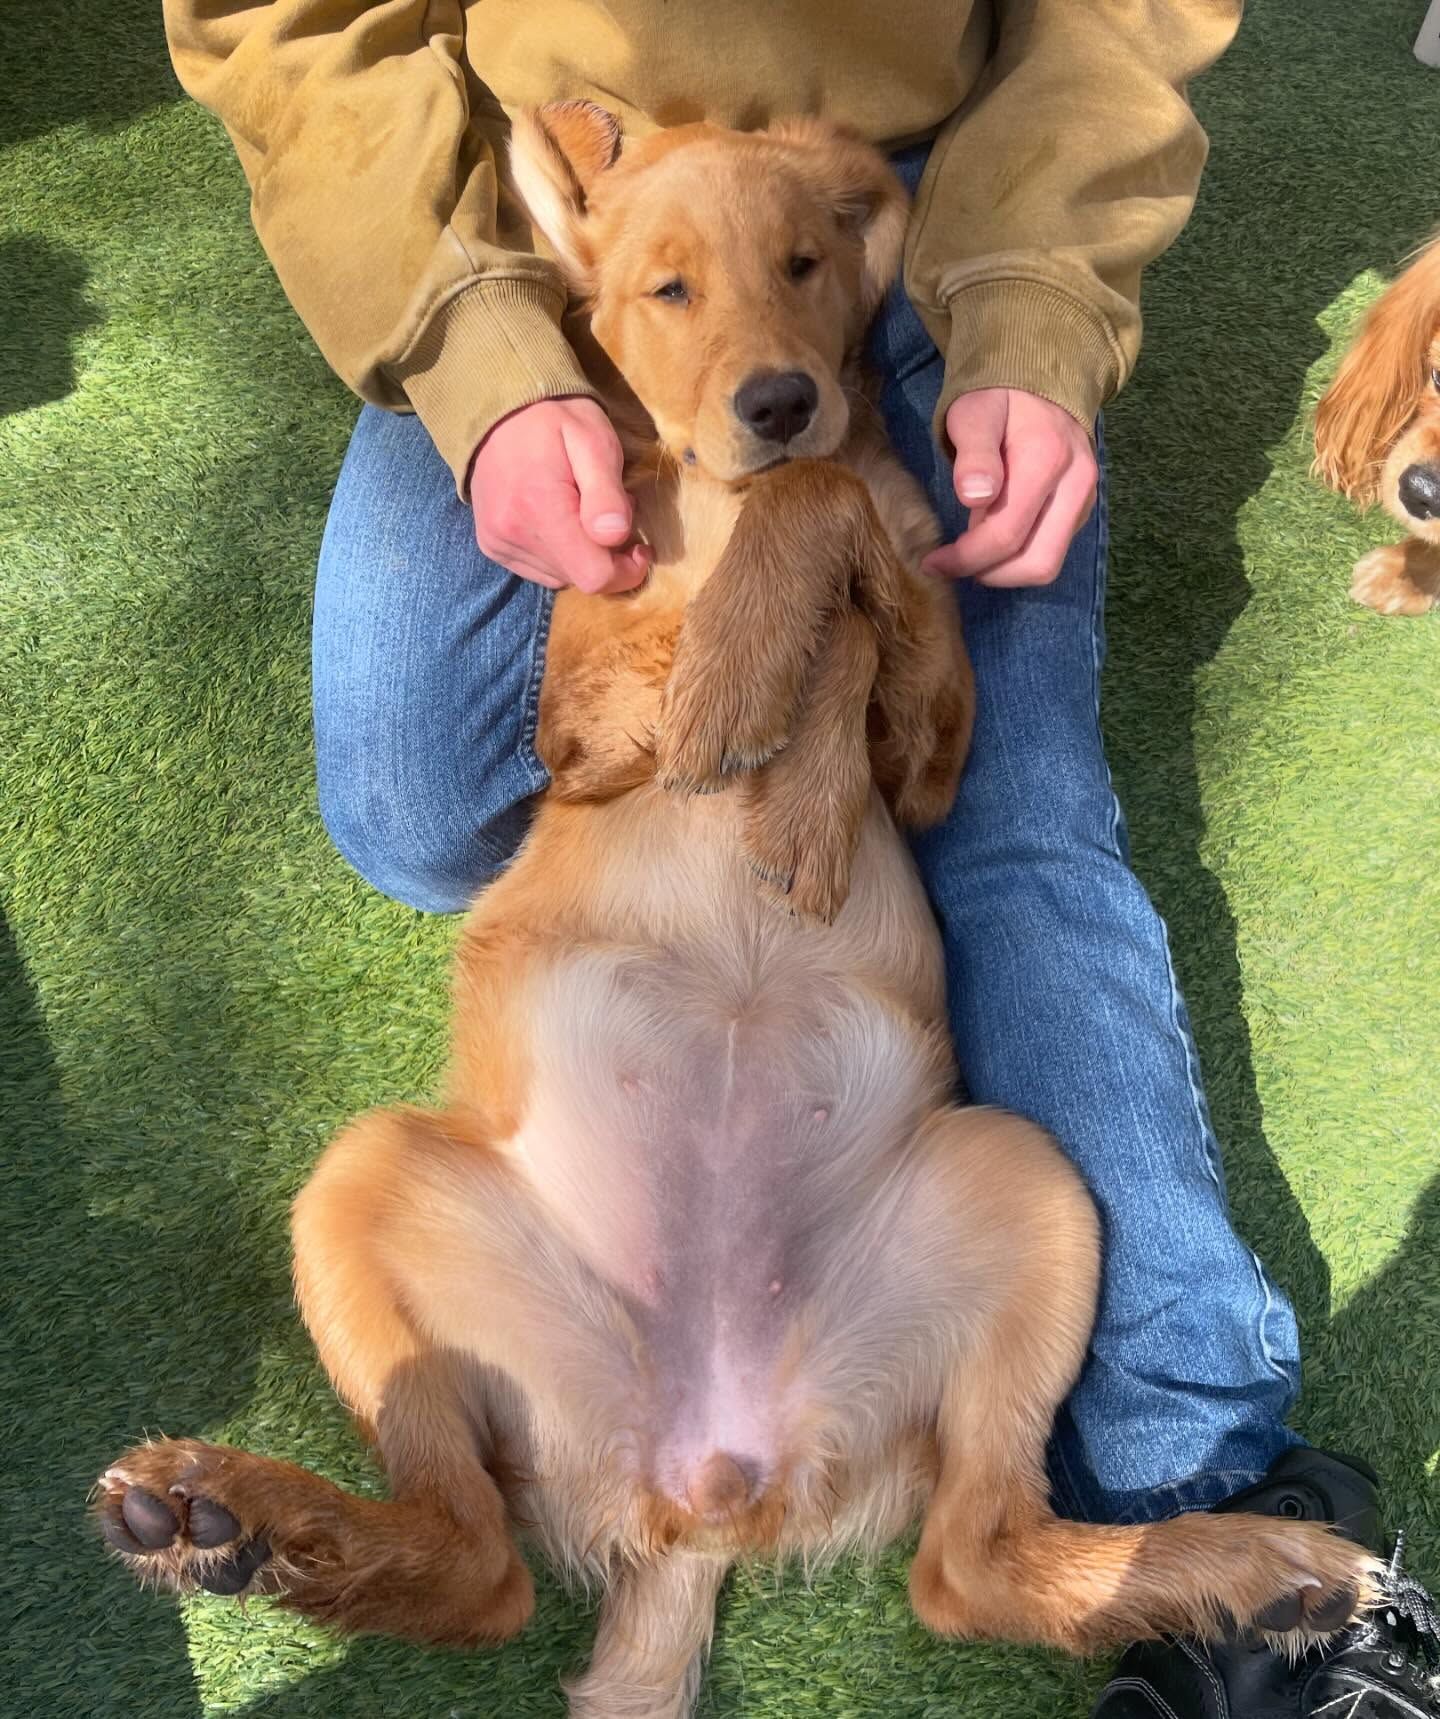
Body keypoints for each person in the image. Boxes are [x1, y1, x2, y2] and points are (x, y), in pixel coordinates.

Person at [162, 3, 1438, 1713]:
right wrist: (486, 360)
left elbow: (926, 749)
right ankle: (460, 1544)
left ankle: (1178, 1487)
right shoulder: (608, 310)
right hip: (543, 202)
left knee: (1027, 834)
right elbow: (606, 729)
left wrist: (1028, 311)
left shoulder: (852, 304)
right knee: (404, 846)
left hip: (928, 177)